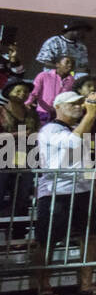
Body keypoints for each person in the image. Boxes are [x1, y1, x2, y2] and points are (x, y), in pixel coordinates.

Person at [32, 91, 96, 295]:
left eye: (80, 103)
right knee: (48, 240)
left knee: (90, 237)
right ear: (58, 106)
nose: (79, 106)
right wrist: (91, 115)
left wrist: (92, 186)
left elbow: (83, 160)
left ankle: (86, 284)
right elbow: (72, 144)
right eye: (73, 104)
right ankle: (43, 286)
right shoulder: (50, 129)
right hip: (57, 191)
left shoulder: (78, 128)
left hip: (82, 190)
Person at [0, 81, 38, 235]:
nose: (23, 94)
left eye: (25, 92)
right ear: (9, 92)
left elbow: (37, 133)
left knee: (22, 197)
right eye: (19, 91)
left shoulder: (31, 113)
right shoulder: (1, 111)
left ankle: (17, 233)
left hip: (26, 158)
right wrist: (17, 135)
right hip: (3, 157)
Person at [27, 56, 75, 125]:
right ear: (57, 64)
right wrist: (28, 103)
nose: (70, 65)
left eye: (73, 64)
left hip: (60, 116)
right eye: (67, 62)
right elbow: (34, 92)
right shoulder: (44, 75)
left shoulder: (72, 80)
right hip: (42, 112)